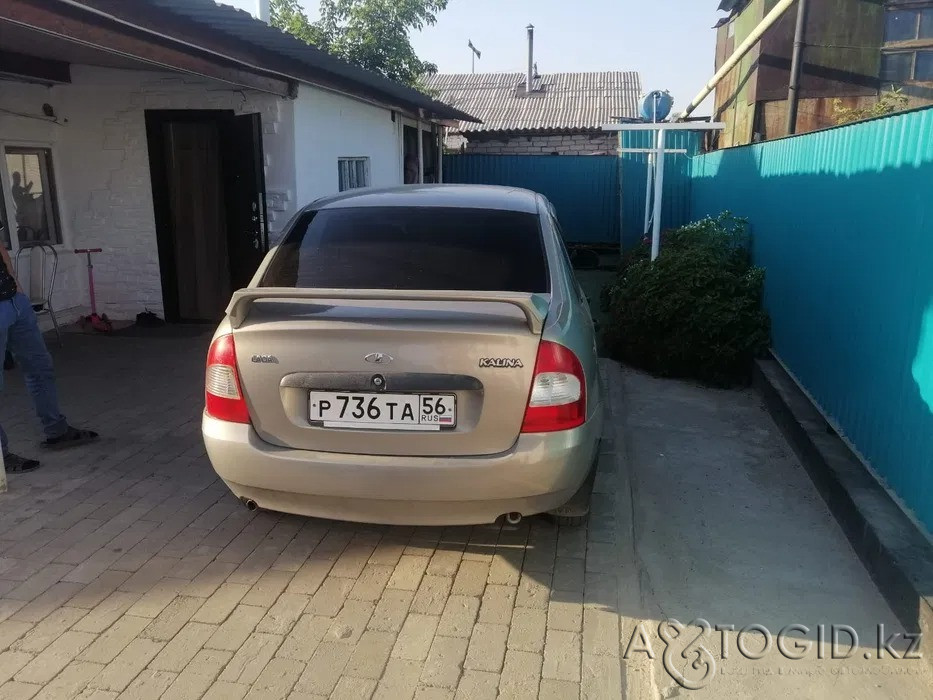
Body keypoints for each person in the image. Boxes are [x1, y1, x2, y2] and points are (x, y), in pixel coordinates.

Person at [1, 235, 98, 473]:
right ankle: (0, 458)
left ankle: (57, 430)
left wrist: (15, 284)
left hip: (14, 301)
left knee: (40, 366)